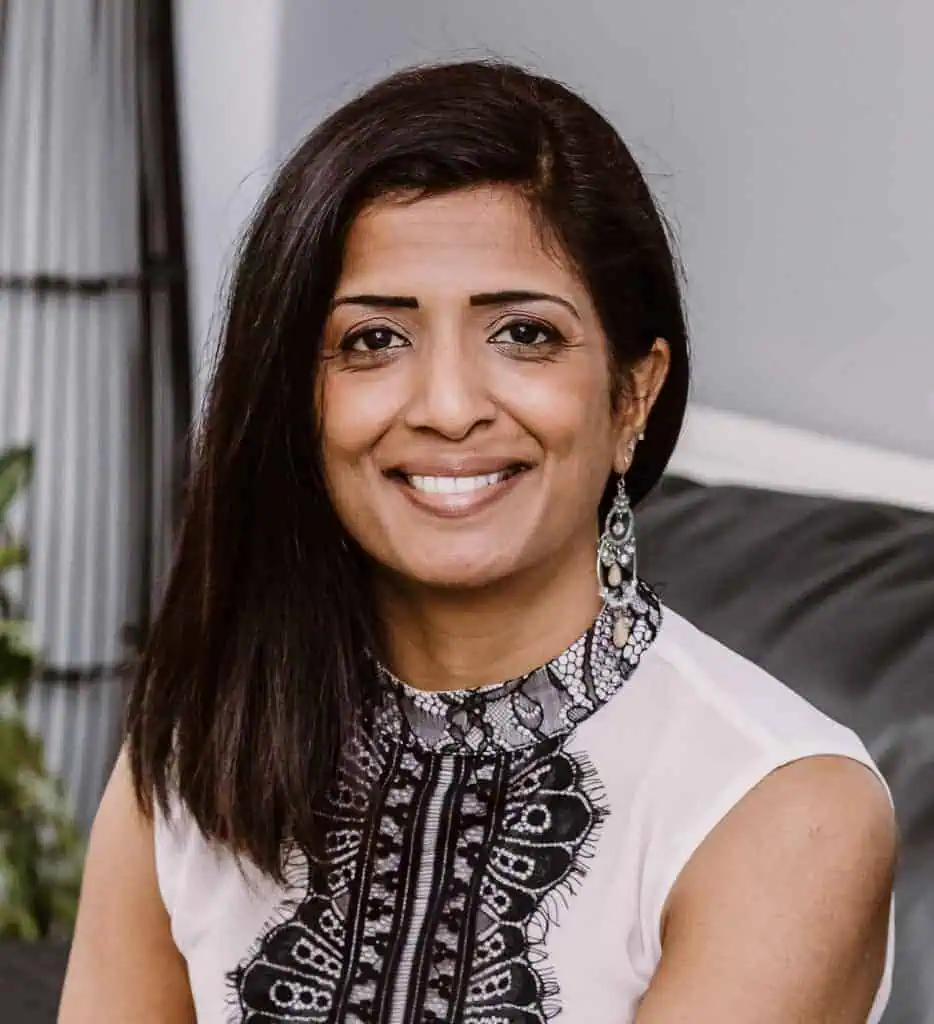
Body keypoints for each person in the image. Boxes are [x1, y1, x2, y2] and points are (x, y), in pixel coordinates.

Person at [59, 61, 896, 1023]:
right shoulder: (192, 745)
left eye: (525, 334)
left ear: (634, 395)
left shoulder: (782, 810)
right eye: (374, 340)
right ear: (299, 397)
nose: (449, 407)